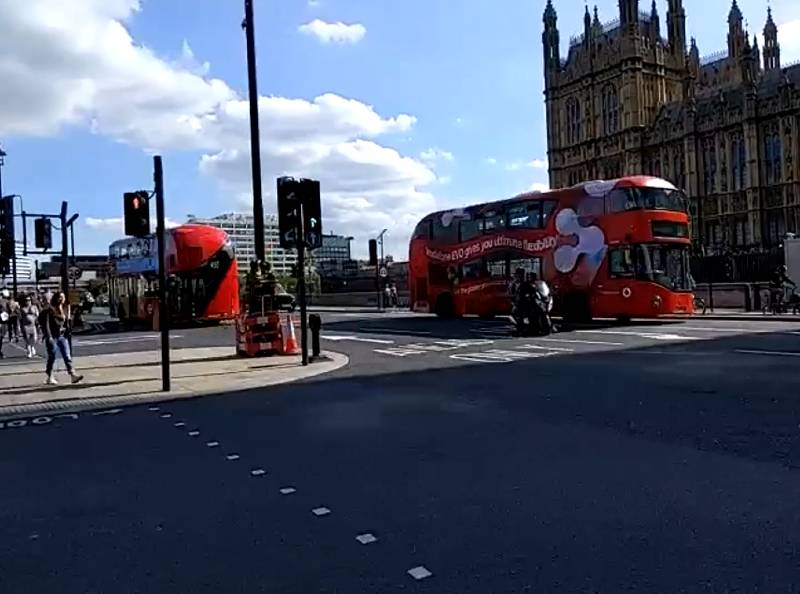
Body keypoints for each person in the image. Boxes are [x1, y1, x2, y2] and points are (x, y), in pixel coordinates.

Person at [40, 292, 83, 385]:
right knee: (52, 357)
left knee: (67, 356)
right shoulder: (50, 310)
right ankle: (50, 376)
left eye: (63, 297)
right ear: (55, 298)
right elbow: (46, 324)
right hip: (53, 336)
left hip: (62, 336)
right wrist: (49, 336)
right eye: (60, 297)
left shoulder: (64, 308)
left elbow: (68, 323)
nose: (62, 299)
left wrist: (69, 314)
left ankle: (73, 375)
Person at [20, 294, 40, 358]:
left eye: (29, 300)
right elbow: (24, 314)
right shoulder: (23, 308)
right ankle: (29, 352)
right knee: (28, 340)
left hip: (33, 325)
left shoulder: (34, 307)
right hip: (26, 326)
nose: (28, 301)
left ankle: (32, 346)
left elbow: (37, 314)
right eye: (26, 300)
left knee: (34, 339)